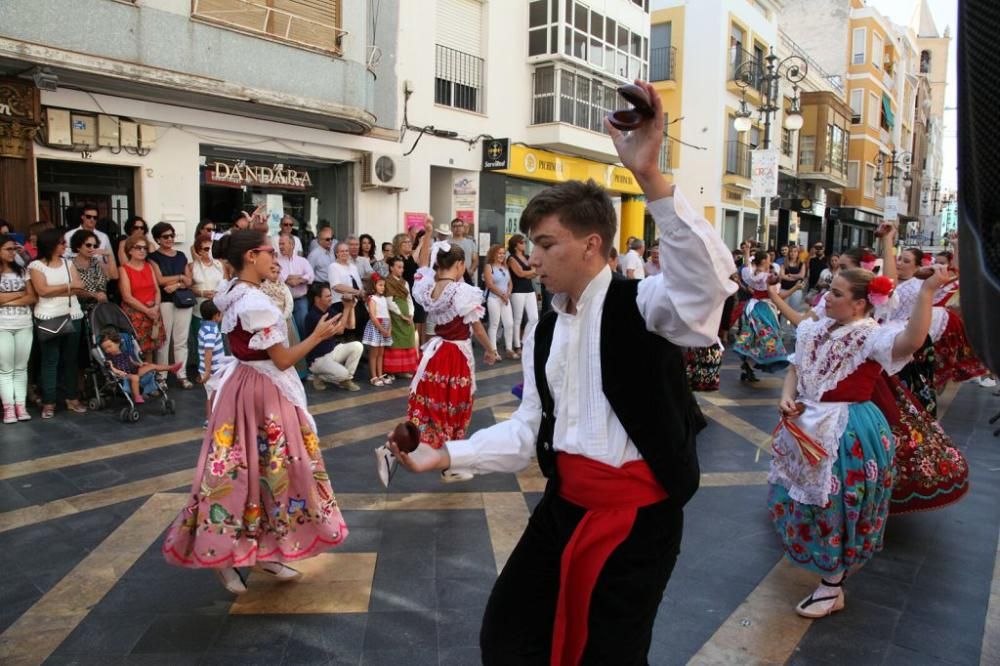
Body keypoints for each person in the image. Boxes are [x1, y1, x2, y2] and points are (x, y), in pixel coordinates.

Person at [387, 83, 736, 664]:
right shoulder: (544, 327)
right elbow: (529, 428)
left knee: (609, 652)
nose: (533, 259)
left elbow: (706, 290)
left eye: (547, 245)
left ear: (592, 246)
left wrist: (650, 176)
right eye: (531, 245)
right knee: (509, 634)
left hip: (638, 520)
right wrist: (445, 455)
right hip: (564, 505)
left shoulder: (642, 304)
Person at [161, 230, 349, 595]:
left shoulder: (234, 291)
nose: (274, 258)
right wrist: (317, 336)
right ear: (250, 257)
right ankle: (224, 555)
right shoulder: (249, 300)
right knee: (250, 473)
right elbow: (281, 359)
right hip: (259, 392)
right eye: (268, 252)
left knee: (267, 472)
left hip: (251, 389)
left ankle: (264, 550)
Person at [764, 266, 947, 618]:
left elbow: (911, 340)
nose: (826, 296)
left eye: (836, 293)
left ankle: (832, 587)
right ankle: (829, 579)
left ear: (861, 303)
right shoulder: (813, 328)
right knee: (809, 502)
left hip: (847, 430)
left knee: (838, 503)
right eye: (829, 290)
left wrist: (926, 293)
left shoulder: (869, 336)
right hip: (806, 425)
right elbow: (795, 369)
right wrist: (786, 396)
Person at [382, 220, 498, 482]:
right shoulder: (461, 291)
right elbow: (477, 327)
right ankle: (453, 464)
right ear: (458, 266)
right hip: (455, 355)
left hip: (434, 353)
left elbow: (422, 265)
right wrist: (490, 349)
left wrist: (428, 237)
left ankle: (399, 448)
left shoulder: (427, 287)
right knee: (456, 407)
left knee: (432, 410)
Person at [29, 229, 87, 419]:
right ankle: (49, 401)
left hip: (73, 314)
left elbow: (80, 286)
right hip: (48, 316)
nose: (65, 246)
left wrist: (59, 289)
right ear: (51, 244)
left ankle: (72, 397)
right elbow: (42, 291)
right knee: (50, 360)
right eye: (62, 243)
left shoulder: (68, 263)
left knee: (70, 359)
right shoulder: (36, 266)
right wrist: (67, 288)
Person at [149, 222, 194, 389]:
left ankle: (181, 374)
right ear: (157, 239)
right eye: (165, 236)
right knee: (164, 340)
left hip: (183, 300)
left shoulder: (181, 255)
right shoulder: (153, 257)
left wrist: (176, 283)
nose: (169, 239)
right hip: (165, 301)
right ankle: (162, 375)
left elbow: (189, 281)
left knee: (181, 340)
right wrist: (181, 277)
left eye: (172, 236)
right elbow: (159, 280)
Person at [733, 249, 789, 382]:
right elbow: (775, 286)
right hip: (763, 307)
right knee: (767, 334)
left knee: (755, 335)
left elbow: (747, 269)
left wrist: (747, 253)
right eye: (768, 258)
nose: (770, 260)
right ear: (764, 261)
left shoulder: (752, 274)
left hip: (753, 306)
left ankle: (748, 364)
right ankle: (750, 364)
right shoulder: (765, 276)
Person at [0, 234, 37, 423]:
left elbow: (32, 297)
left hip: (24, 323)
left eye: (14, 249)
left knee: (21, 367)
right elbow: (23, 294)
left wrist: (5, 299)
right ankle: (8, 409)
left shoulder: (23, 271)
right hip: (2, 326)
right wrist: (17, 294)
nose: (12, 253)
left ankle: (20, 406)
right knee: (5, 369)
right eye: (8, 249)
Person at [303, 283, 363, 392]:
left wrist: (351, 308)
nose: (331, 298)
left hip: (332, 351)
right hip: (318, 359)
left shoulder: (329, 310)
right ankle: (320, 376)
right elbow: (340, 331)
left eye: (330, 295)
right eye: (327, 296)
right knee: (343, 373)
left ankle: (346, 380)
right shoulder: (313, 316)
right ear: (317, 299)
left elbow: (350, 326)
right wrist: (346, 308)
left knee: (357, 346)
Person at [98, 328, 180, 404]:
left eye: (109, 346)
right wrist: (118, 372)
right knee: (135, 377)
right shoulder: (109, 358)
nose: (108, 350)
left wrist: (141, 364)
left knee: (151, 366)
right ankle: (137, 396)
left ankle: (171, 368)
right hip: (125, 375)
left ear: (118, 343)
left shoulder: (125, 353)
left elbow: (132, 362)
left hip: (134, 370)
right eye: (105, 349)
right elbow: (111, 369)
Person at [118, 235, 165, 362]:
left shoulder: (149, 266)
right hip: (135, 315)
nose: (142, 250)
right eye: (138, 248)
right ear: (130, 250)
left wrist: (155, 307)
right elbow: (127, 297)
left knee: (150, 349)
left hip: (152, 312)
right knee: (135, 350)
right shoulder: (124, 269)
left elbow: (157, 290)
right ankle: (136, 380)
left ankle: (148, 378)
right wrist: (147, 310)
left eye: (145, 248)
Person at [382, 256, 419, 378]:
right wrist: (400, 314)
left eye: (402, 267)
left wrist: (411, 314)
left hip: (407, 315)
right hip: (394, 315)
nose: (401, 270)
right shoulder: (387, 282)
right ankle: (392, 370)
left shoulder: (405, 282)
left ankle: (405, 369)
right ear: (391, 268)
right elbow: (389, 301)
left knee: (408, 340)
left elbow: (409, 299)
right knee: (395, 342)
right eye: (398, 267)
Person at [196, 300, 228, 427]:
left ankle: (209, 420)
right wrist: (208, 372)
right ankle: (215, 419)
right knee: (217, 394)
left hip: (207, 369)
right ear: (216, 316)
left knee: (210, 395)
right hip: (214, 370)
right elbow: (208, 351)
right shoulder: (211, 331)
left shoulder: (204, 327)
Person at [70, 228, 118, 313]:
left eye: (95, 246)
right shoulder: (70, 264)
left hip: (101, 309)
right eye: (88, 245)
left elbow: (114, 276)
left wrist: (109, 255)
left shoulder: (97, 262)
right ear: (78, 246)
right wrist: (95, 295)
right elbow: (74, 290)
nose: (92, 248)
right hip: (79, 310)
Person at [276, 232, 314, 335]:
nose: (280, 246)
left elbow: (311, 276)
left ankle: (304, 349)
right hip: (282, 301)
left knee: (302, 325)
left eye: (283, 244)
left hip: (300, 300)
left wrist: (298, 279)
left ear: (292, 245)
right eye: (280, 244)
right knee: (285, 329)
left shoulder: (303, 261)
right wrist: (301, 277)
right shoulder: (276, 262)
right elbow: (283, 279)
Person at [483, 244, 517, 360]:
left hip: (505, 299)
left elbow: (510, 283)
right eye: (499, 253)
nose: (502, 255)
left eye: (503, 253)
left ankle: (509, 349)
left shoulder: (505, 267)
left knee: (509, 324)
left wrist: (508, 294)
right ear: (493, 254)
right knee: (494, 324)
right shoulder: (489, 267)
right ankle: (493, 351)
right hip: (494, 299)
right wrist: (502, 295)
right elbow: (490, 285)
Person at [506, 234, 538, 354]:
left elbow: (535, 273)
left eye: (524, 242)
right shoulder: (511, 258)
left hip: (529, 289)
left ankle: (525, 341)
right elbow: (519, 273)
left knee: (534, 317)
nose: (524, 244)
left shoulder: (527, 256)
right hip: (518, 291)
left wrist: (529, 272)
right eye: (522, 242)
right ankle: (517, 345)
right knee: (517, 319)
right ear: (516, 245)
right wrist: (531, 272)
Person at [362, 274, 395, 386]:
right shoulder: (372, 299)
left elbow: (388, 314)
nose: (382, 287)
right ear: (374, 285)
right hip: (377, 327)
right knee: (374, 353)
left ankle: (380, 374)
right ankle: (374, 376)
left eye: (383, 285)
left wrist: (389, 328)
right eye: (380, 285)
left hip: (385, 326)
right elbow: (373, 316)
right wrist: (382, 329)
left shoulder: (384, 299)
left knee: (381, 353)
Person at [450, 218, 479, 285]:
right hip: (452, 278)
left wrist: (471, 271)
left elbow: (475, 260)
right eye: (455, 226)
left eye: (460, 226)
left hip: (467, 278)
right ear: (451, 229)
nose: (458, 228)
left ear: (463, 228)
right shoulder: (447, 243)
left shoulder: (471, 243)